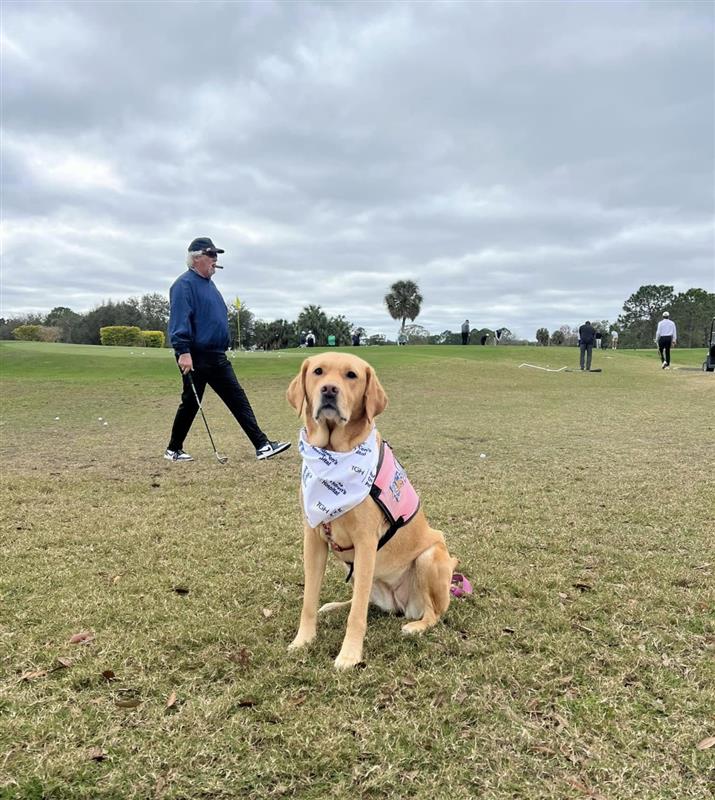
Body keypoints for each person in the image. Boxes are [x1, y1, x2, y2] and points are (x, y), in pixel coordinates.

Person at [164, 237, 291, 462]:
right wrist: (183, 351)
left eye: (216, 255)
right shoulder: (183, 285)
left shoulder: (209, 284)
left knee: (234, 398)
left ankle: (261, 445)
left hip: (216, 354)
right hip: (196, 355)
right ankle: (174, 449)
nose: (215, 259)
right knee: (193, 402)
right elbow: (179, 320)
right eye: (211, 255)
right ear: (196, 258)